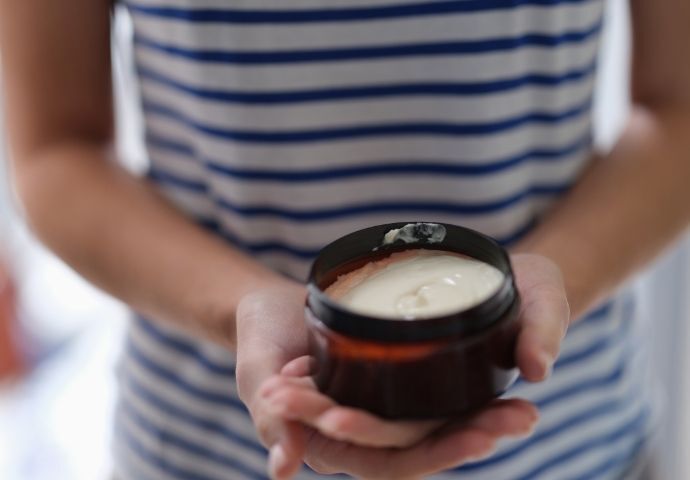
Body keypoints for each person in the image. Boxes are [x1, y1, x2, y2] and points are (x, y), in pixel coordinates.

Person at [1, 0, 689, 478]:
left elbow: (678, 109)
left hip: (572, 442)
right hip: (206, 448)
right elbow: (55, 151)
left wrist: (557, 279)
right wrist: (241, 307)